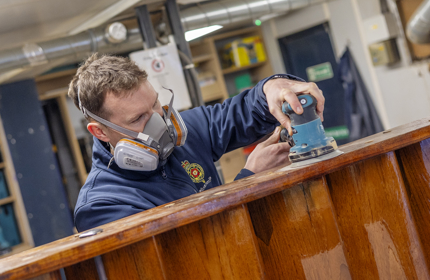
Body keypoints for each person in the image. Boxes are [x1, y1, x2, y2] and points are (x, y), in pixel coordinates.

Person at [68, 53, 324, 232]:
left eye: (155, 103)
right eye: (138, 118)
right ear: (100, 132)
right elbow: (184, 260)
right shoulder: (102, 206)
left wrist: (272, 88)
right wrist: (249, 182)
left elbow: (242, 112)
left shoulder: (187, 130)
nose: (160, 121)